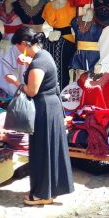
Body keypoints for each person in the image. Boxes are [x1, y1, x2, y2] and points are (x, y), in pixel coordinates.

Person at [6, 27, 74, 206]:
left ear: (24, 44)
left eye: (18, 47)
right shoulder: (43, 56)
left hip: (44, 109)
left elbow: (32, 90)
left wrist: (15, 82)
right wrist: (29, 63)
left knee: (42, 151)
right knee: (48, 150)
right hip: (50, 107)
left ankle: (42, 194)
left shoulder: (38, 62)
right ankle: (48, 190)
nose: (18, 51)